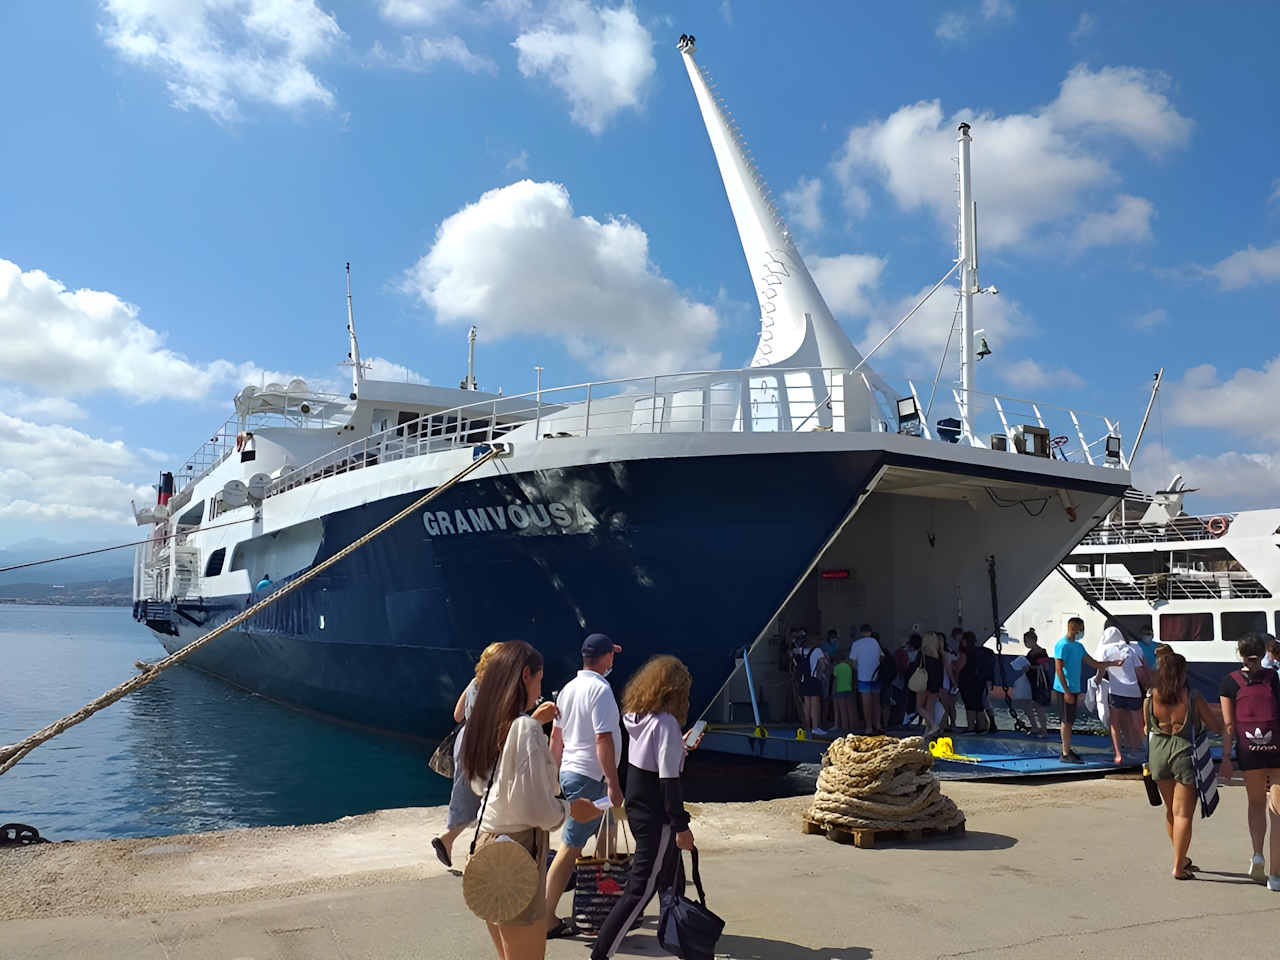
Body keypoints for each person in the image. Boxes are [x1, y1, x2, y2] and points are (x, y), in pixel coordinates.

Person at [460, 641, 599, 960]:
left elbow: (481, 783)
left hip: (488, 847)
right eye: (539, 679)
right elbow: (537, 810)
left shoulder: (489, 721)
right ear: (526, 675)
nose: (540, 687)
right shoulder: (524, 728)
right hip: (519, 851)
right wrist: (568, 809)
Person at [590, 656, 695, 960]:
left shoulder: (638, 718)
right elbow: (668, 782)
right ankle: (599, 955)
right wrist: (681, 826)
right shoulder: (666, 725)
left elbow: (652, 762)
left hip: (638, 809)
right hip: (657, 817)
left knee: (671, 880)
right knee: (640, 890)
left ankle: (682, 942)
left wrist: (681, 748)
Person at [544, 633, 624, 938]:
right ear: (605, 658)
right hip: (591, 777)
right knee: (570, 846)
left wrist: (554, 778)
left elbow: (556, 738)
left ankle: (607, 906)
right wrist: (614, 785)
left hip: (572, 774)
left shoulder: (568, 689)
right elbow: (602, 739)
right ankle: (547, 917)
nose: (613, 660)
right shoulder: (600, 691)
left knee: (608, 836)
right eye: (612, 655)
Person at [1146, 647, 1222, 880]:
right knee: (1183, 814)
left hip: (1157, 754)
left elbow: (1147, 727)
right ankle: (1178, 867)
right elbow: (1214, 726)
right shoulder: (1192, 697)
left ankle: (1181, 858)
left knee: (1171, 810)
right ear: (1182, 672)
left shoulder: (1150, 696)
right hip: (1184, 754)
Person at [1217, 632, 1280, 890]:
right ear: (1264, 652)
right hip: (1276, 749)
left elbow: (1229, 725)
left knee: (1255, 804)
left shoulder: (1228, 682)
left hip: (1248, 750)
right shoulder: (1272, 677)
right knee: (1277, 812)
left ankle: (1257, 855)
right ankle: (1276, 876)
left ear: (1239, 654)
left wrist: (1225, 759)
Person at [434, 642, 503, 868]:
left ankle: (449, 839)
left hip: (465, 740)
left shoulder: (474, 683)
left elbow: (457, 715)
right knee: (490, 796)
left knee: (466, 792)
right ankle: (480, 849)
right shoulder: (500, 687)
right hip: (484, 743)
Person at [1054, 618, 1122, 764]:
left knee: (1070, 719)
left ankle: (1067, 748)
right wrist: (1066, 691)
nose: (1082, 632)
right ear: (1073, 628)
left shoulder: (1078, 647)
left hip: (1074, 687)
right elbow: (1058, 669)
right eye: (1080, 629)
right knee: (1066, 721)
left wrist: (1114, 663)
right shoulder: (1062, 645)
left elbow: (1093, 663)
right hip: (1065, 688)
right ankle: (1065, 753)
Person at [1095, 625, 1148, 764]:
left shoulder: (1105, 650)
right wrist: (1147, 686)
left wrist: (1097, 681)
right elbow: (1140, 672)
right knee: (1136, 723)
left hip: (1116, 692)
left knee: (1115, 723)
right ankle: (1139, 750)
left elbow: (1101, 669)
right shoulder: (1130, 650)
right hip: (1134, 691)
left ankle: (1118, 754)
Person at [849, 624, 883, 734]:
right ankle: (878, 724)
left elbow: (853, 662)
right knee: (876, 701)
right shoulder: (875, 643)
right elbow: (882, 657)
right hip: (876, 675)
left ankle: (868, 726)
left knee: (866, 702)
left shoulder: (856, 644)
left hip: (863, 676)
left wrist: (859, 669)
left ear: (861, 632)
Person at [1008, 648, 1049, 737]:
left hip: (1037, 679)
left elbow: (1045, 667)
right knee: (1025, 703)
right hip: (1030, 678)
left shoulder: (1040, 652)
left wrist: (1032, 667)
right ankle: (1035, 726)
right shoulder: (1031, 653)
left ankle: (1044, 731)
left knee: (1038, 705)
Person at [796, 632, 827, 736]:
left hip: (804, 679)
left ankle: (806, 725)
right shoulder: (818, 651)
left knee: (807, 703)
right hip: (814, 679)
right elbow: (823, 665)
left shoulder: (802, 651)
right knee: (815, 704)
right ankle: (815, 727)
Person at [956, 632, 988, 733]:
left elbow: (959, 666)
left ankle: (971, 726)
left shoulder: (965, 652)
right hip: (979, 680)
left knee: (969, 703)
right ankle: (982, 726)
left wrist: (952, 664)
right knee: (979, 704)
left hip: (967, 680)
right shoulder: (979, 651)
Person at [918, 632, 945, 736]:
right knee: (930, 707)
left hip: (923, 684)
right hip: (935, 686)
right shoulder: (939, 656)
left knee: (919, 707)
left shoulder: (923, 655)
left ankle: (933, 725)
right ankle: (929, 730)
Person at [831, 652, 856, 732]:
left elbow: (835, 680)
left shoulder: (836, 668)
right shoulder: (849, 667)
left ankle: (845, 726)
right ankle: (852, 726)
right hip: (848, 689)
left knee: (842, 709)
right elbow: (851, 680)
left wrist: (833, 690)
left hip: (839, 689)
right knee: (850, 709)